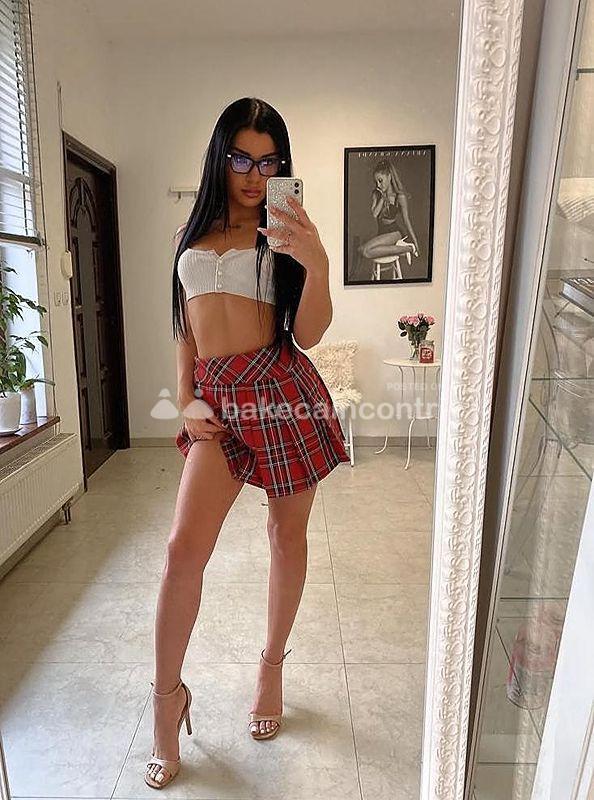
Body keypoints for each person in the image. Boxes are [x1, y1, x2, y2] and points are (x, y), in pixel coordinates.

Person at [145, 97, 350, 789]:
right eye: (241, 159)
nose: (255, 175)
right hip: (220, 404)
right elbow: (184, 325)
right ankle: (166, 700)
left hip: (282, 388)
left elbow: (310, 333)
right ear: (220, 157)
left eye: (269, 162)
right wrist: (185, 395)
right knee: (182, 552)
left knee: (285, 538)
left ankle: (271, 669)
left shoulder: (284, 233)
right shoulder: (190, 234)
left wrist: (316, 262)